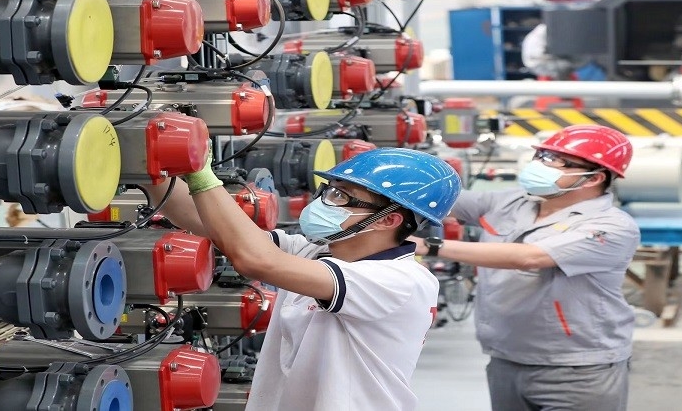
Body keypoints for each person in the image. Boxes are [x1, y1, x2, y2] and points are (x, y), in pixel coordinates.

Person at [150, 148, 462, 410]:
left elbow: (256, 259)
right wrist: (154, 163)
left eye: (341, 196)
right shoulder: (318, 251)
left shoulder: (399, 280)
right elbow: (204, 222)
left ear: (389, 219)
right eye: (329, 190)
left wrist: (205, 177)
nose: (325, 201)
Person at [413, 125, 640, 411]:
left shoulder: (611, 226)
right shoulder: (513, 202)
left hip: (577, 370)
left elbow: (529, 257)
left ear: (593, 178)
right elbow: (445, 200)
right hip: (506, 358)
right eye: (542, 156)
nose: (540, 166)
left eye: (555, 161)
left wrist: (429, 246)